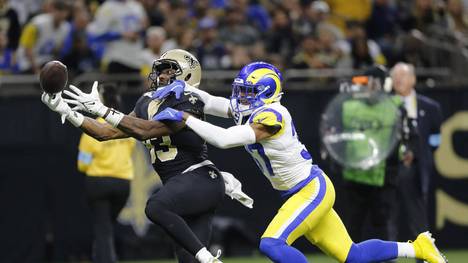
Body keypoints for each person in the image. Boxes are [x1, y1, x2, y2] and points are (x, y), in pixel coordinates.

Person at [151, 61, 447, 263]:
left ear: (266, 92)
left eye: (248, 92)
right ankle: (417, 248)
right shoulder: (256, 107)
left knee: (271, 244)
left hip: (309, 190)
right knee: (352, 255)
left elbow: (225, 140)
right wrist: (188, 91)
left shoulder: (273, 115)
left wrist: (185, 116)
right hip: (303, 190)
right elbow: (215, 103)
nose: (240, 97)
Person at [41, 49, 232, 263]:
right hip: (182, 184)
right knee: (187, 260)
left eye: (169, 71)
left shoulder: (190, 100)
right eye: (160, 70)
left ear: (187, 76)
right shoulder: (146, 101)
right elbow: (106, 132)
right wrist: (67, 111)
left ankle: (209, 259)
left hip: (200, 178)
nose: (161, 76)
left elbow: (147, 130)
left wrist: (104, 111)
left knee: (157, 207)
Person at [77, 83, 136, 263]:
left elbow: (82, 164)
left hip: (99, 182)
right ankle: (105, 256)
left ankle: (105, 258)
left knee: (103, 228)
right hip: (123, 183)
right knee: (107, 226)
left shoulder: (92, 127)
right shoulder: (125, 126)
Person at [390, 62, 443, 252]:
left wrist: (418, 154)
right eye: (395, 76)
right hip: (389, 169)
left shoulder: (430, 107)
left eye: (402, 75)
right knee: (388, 220)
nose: (398, 80)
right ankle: (388, 257)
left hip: (416, 170)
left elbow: (436, 140)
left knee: (419, 220)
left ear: (413, 79)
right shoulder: (384, 105)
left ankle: (425, 256)